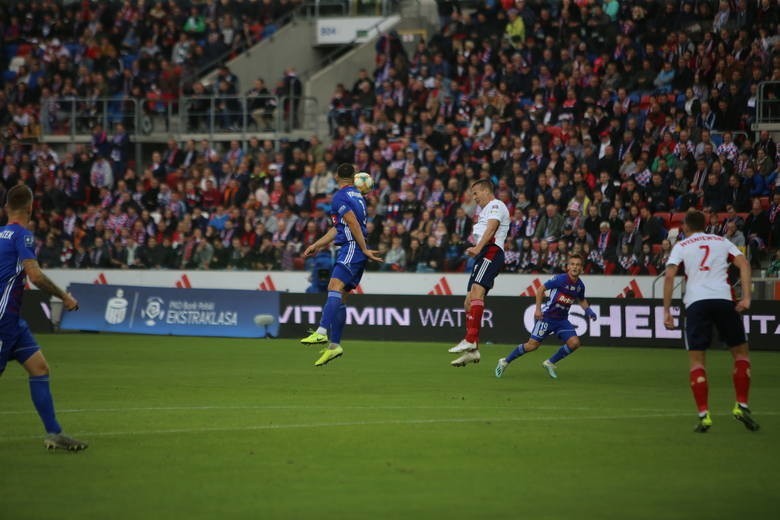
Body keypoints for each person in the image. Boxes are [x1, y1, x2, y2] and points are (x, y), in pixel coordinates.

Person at [0, 185, 87, 451]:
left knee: (39, 368)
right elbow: (35, 276)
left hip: (14, 323)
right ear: (30, 208)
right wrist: (65, 297)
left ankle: (54, 433)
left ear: (6, 209)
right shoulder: (23, 236)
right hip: (3, 322)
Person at [663, 210, 759, 433]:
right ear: (705, 225)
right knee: (741, 355)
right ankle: (742, 405)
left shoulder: (682, 245)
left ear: (686, 226)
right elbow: (744, 264)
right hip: (724, 300)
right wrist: (746, 297)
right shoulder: (721, 241)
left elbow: (669, 276)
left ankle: (704, 414)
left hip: (696, 303)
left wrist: (666, 310)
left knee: (697, 362)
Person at [299, 164, 382, 366]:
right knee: (342, 297)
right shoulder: (358, 196)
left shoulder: (340, 197)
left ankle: (321, 332)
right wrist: (317, 245)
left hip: (353, 247)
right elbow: (340, 228)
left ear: (336, 176)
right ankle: (335, 346)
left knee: (333, 287)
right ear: (354, 177)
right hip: (354, 247)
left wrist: (363, 249)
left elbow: (352, 224)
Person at [494, 254, 598, 379]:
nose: (575, 267)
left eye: (578, 265)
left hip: (562, 320)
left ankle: (550, 362)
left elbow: (581, 300)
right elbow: (540, 289)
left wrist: (589, 311)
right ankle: (505, 361)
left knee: (574, 343)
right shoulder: (560, 279)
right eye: (572, 264)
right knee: (532, 345)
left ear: (582, 268)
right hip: (547, 317)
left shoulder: (580, 286)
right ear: (568, 267)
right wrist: (538, 309)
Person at [448, 180, 510, 367]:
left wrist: (478, 247)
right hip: (482, 253)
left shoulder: (496, 205)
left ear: (485, 190)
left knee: (476, 292)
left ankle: (470, 338)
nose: (474, 198)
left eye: (476, 193)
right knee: (468, 302)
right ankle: (473, 351)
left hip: (491, 251)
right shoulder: (483, 211)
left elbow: (492, 229)